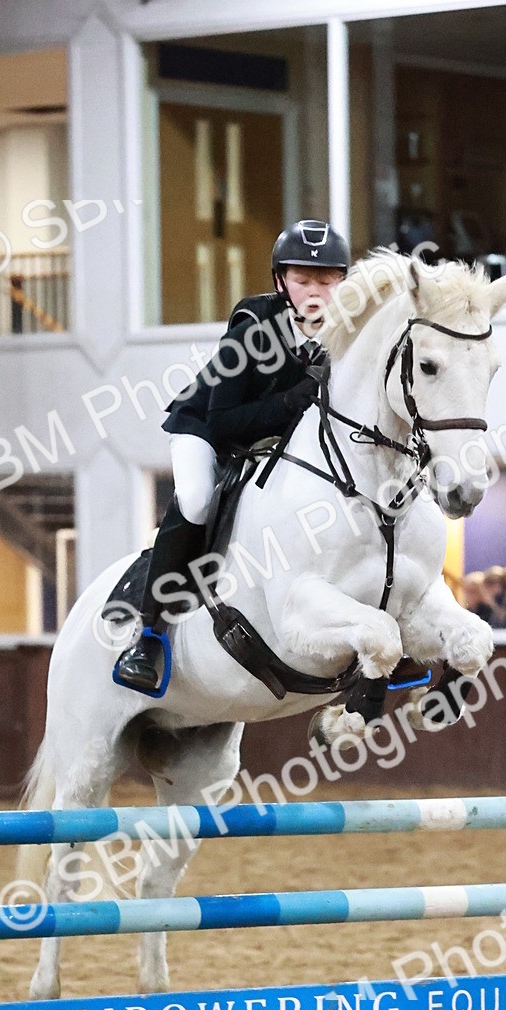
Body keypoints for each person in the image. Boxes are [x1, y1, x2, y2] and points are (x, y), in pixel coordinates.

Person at [114, 219, 350, 692]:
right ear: (280, 280)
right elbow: (224, 421)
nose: (314, 292)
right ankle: (149, 636)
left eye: (326, 281)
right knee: (198, 499)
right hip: (205, 429)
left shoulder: (344, 333)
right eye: (302, 280)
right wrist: (295, 398)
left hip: (268, 445)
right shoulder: (254, 325)